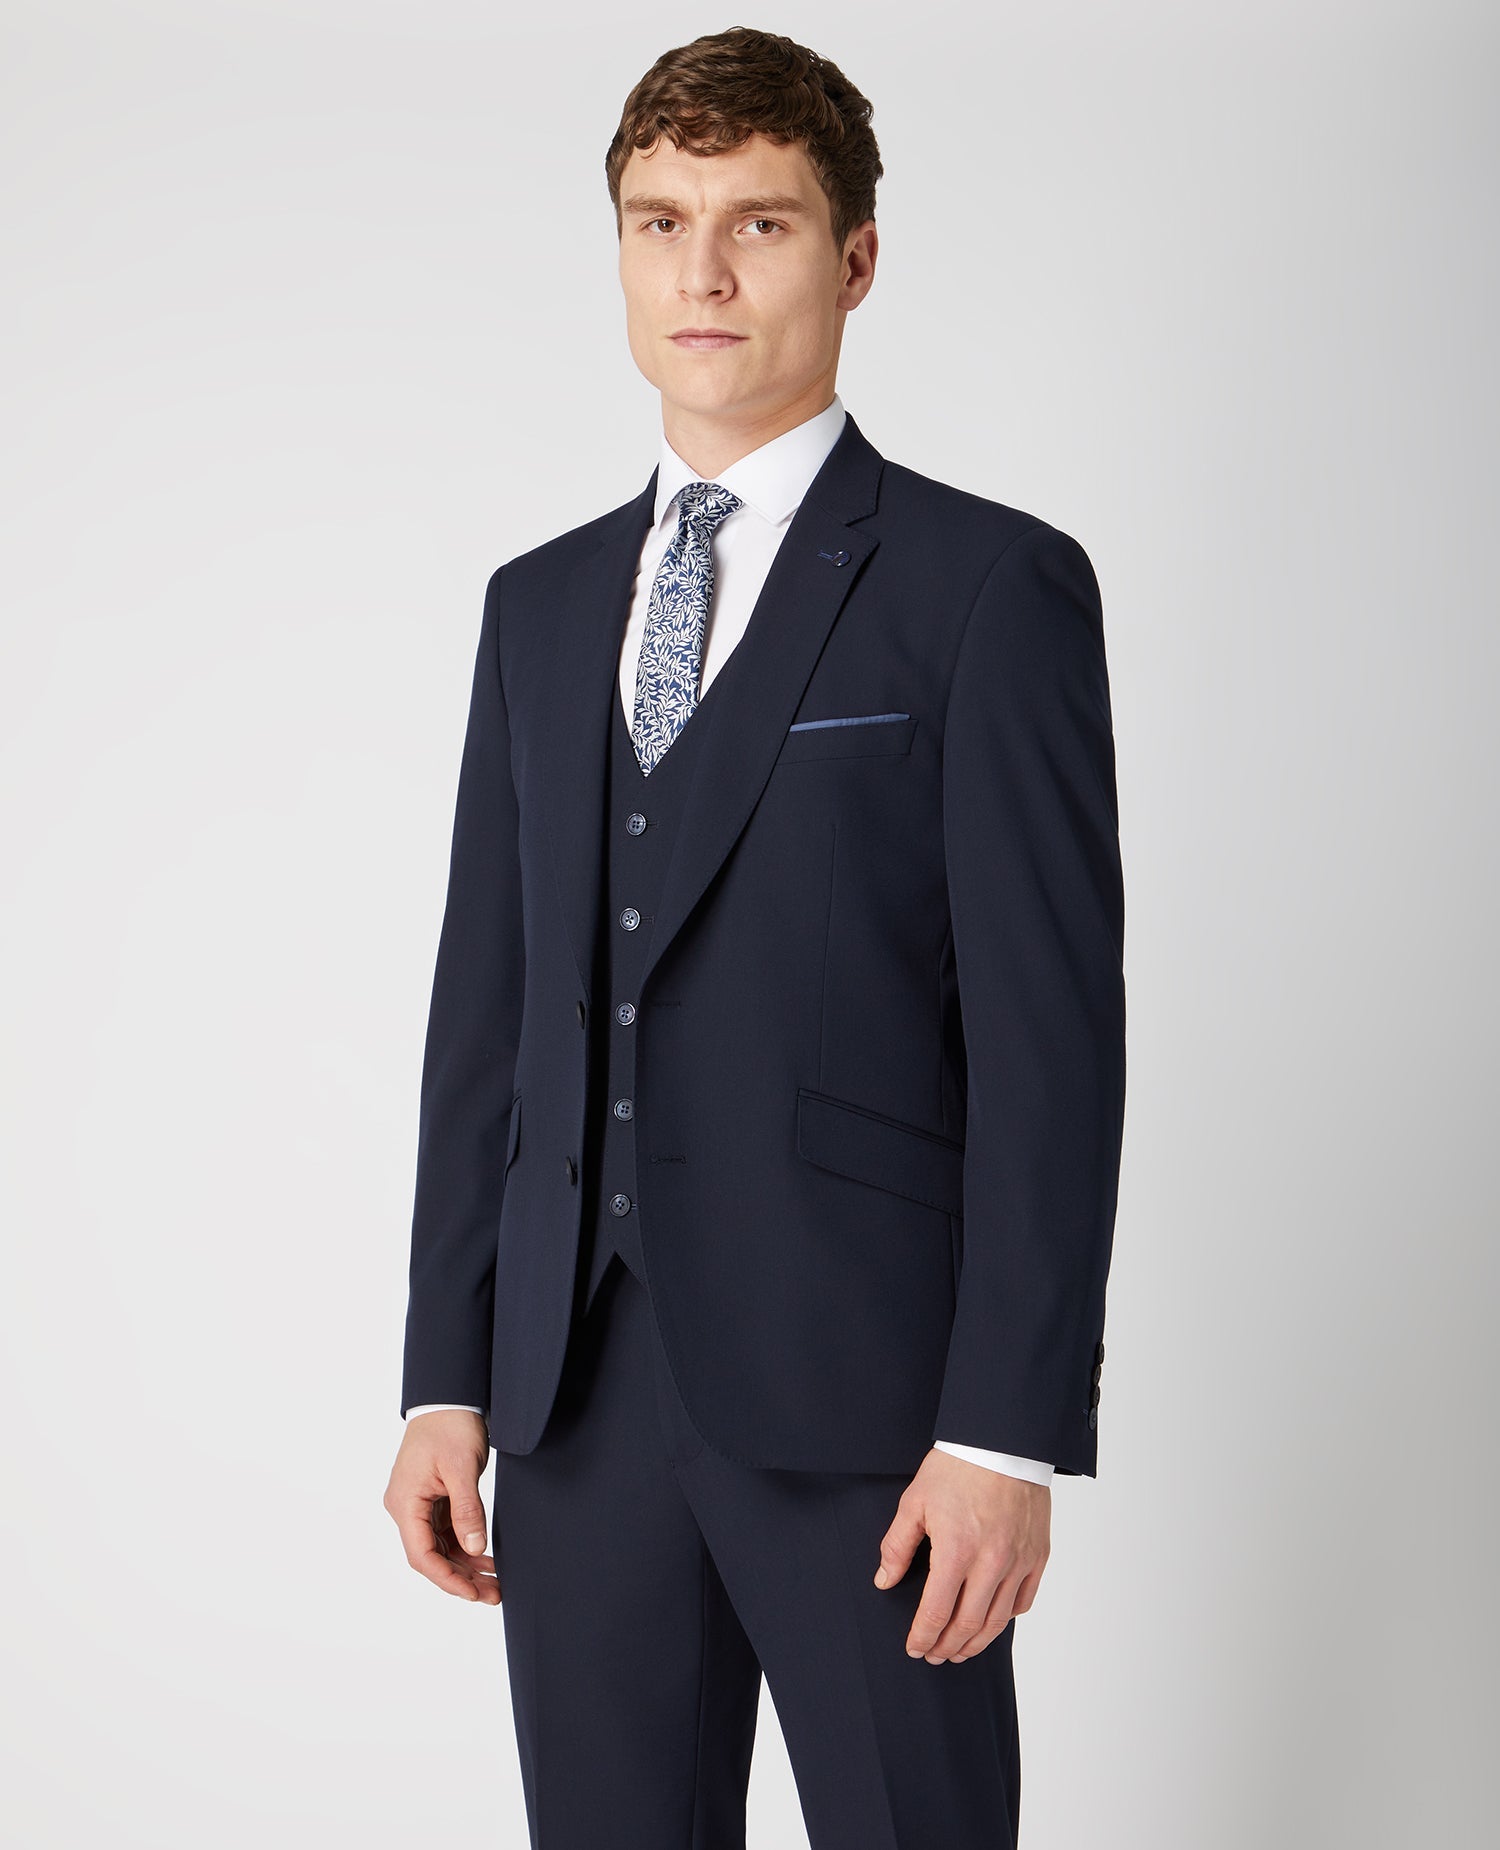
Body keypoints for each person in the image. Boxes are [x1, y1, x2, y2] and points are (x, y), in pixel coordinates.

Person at [383, 25, 1126, 1848]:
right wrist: (446, 1373)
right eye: (660, 223)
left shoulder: (989, 587)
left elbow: (1051, 1044)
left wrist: (1005, 1432)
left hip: (875, 1415)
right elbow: (490, 1017)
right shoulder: (537, 607)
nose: (701, 274)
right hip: (571, 1404)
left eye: (760, 225)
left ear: (855, 259)